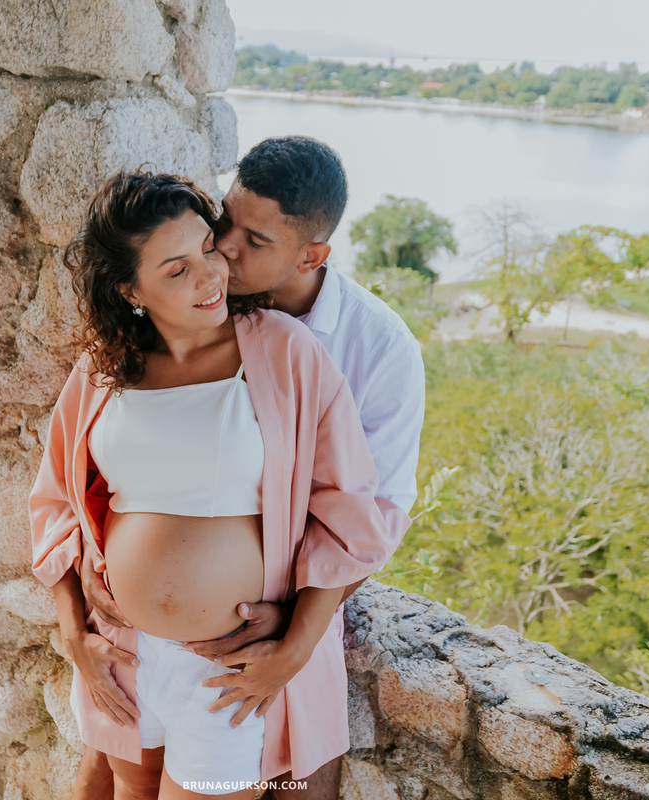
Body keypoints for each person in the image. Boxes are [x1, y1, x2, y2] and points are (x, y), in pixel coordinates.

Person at [28, 169, 410, 798]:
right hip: (123, 656)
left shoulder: (284, 351)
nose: (210, 275)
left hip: (228, 674)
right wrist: (74, 635)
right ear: (130, 289)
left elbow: (351, 516)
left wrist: (292, 651)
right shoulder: (102, 368)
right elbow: (55, 506)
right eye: (176, 269)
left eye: (208, 247)